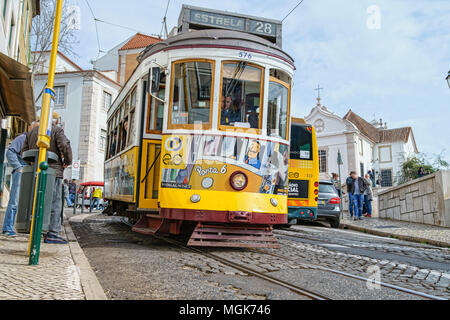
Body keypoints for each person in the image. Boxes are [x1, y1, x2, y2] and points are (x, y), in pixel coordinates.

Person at [22, 112, 72, 244]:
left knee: (38, 201)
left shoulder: (31, 133)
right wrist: (67, 161)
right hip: (53, 172)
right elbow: (65, 146)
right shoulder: (56, 130)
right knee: (54, 203)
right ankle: (52, 233)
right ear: (55, 121)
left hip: (35, 172)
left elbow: (24, 152)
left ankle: (37, 230)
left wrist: (32, 165)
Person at [2, 120, 39, 237]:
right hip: (22, 172)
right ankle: (7, 228)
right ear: (30, 128)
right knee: (15, 201)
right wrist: (18, 167)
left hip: (30, 173)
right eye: (36, 129)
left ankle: (23, 227)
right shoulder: (22, 138)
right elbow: (10, 152)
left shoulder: (34, 141)